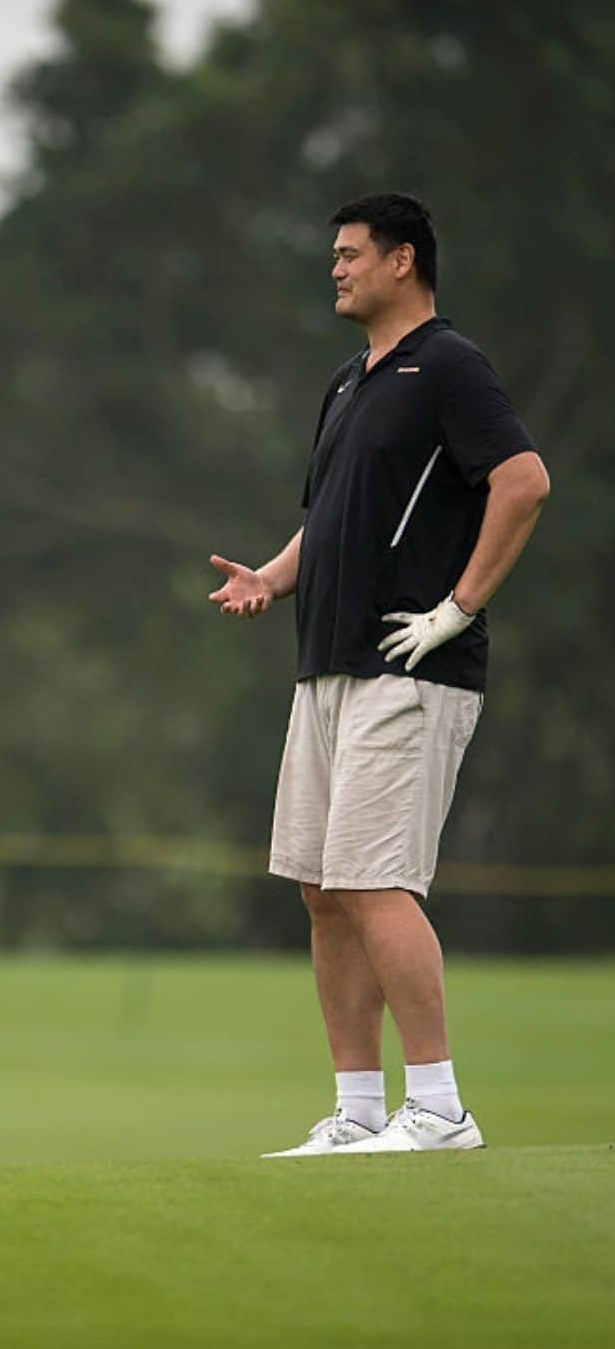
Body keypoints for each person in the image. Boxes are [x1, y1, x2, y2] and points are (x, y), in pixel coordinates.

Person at [209, 193, 549, 1155]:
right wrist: (272, 580)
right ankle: (360, 1112)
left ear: (403, 262)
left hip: (409, 667)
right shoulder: (349, 381)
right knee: (322, 887)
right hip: (324, 667)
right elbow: (331, 518)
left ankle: (439, 1109)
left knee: (372, 880)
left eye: (352, 254)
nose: (336, 268)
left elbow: (523, 480)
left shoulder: (449, 364)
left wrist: (459, 608)